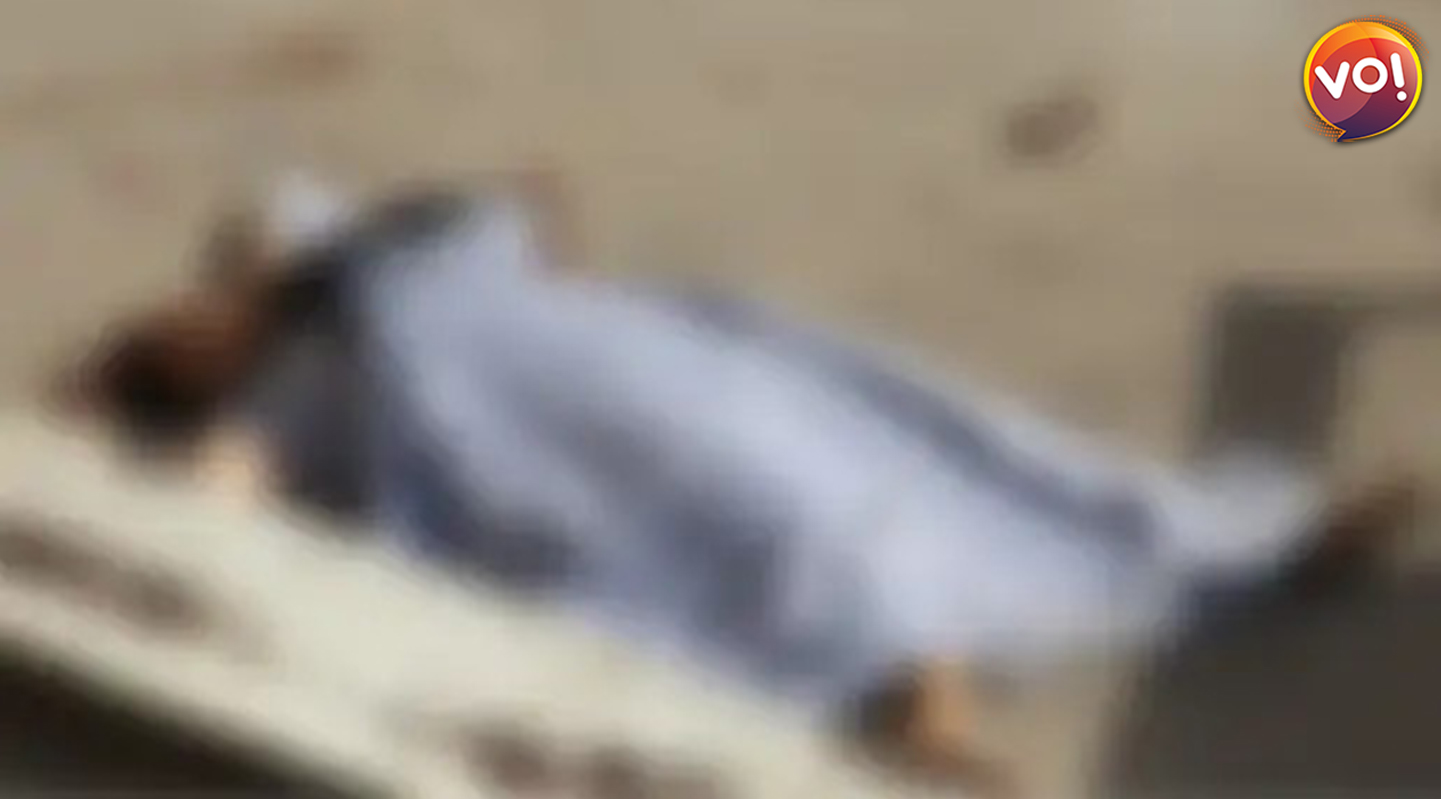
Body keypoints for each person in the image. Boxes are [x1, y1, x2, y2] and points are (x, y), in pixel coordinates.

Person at [65, 175, 1416, 794]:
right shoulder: (285, 397)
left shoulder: (338, 250)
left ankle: (1241, 539)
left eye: (186, 314)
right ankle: (929, 726)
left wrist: (291, 273)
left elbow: (524, 208)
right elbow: (210, 513)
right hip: (560, 454)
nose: (193, 323)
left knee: (928, 460)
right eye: (172, 349)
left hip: (653, 363)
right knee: (798, 536)